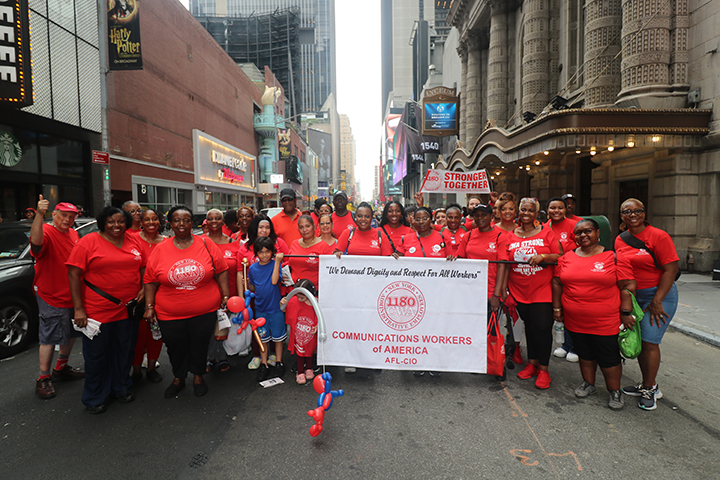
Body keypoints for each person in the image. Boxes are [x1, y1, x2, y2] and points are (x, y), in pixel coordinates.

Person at [143, 205, 230, 399]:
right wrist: (149, 306)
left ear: (192, 223)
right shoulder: (160, 249)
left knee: (200, 344)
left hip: (204, 310)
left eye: (186, 220)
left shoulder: (206, 243)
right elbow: (149, 280)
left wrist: (225, 295)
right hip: (169, 312)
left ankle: (198, 376)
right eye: (177, 220)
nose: (181, 224)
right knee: (175, 345)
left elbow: (221, 269)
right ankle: (178, 377)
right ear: (170, 224)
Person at [67, 206, 145, 413]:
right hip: (97, 311)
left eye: (120, 221)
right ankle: (95, 396)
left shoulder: (133, 240)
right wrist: (78, 309)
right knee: (96, 357)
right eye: (111, 221)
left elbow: (144, 266)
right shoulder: (88, 242)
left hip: (128, 309)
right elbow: (73, 274)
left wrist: (144, 288)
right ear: (103, 223)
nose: (116, 225)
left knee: (125, 351)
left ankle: (121, 387)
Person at [552, 218, 636, 410]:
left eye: (588, 231)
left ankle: (614, 391)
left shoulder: (613, 257)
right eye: (579, 232)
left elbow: (628, 285)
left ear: (598, 233)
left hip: (605, 321)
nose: (583, 235)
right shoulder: (566, 258)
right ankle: (588, 383)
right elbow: (557, 282)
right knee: (585, 354)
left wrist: (625, 312)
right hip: (575, 319)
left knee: (608, 357)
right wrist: (557, 308)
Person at [615, 198, 679, 411]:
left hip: (660, 295)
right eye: (627, 212)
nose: (632, 215)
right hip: (635, 297)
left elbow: (671, 270)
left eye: (637, 211)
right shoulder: (621, 239)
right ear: (621, 216)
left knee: (650, 342)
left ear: (644, 213)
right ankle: (647, 383)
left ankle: (650, 389)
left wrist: (657, 300)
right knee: (640, 341)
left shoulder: (659, 236)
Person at [499, 197, 561, 389]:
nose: (526, 213)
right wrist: (505, 290)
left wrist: (543, 256)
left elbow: (560, 256)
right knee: (530, 328)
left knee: (542, 329)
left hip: (542, 289)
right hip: (519, 290)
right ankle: (532, 363)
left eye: (530, 210)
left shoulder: (546, 232)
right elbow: (506, 264)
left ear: (536, 213)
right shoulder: (510, 235)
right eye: (523, 210)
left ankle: (544, 369)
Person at [30, 195, 84, 400]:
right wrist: (39, 214)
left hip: (72, 294)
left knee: (71, 332)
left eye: (71, 216)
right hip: (51, 294)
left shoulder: (73, 233)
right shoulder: (46, 231)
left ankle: (61, 368)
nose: (68, 220)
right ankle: (43, 378)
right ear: (54, 215)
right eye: (63, 215)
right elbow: (36, 243)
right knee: (49, 337)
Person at [334, 202, 392, 373]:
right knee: (353, 322)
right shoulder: (348, 234)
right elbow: (335, 254)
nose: (363, 219)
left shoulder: (380, 234)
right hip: (352, 289)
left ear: (372, 217)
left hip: (374, 289)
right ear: (355, 217)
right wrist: (337, 255)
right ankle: (351, 358)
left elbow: (388, 260)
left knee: (373, 324)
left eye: (367, 216)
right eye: (360, 216)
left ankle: (373, 359)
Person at [236, 214, 290, 370]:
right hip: (258, 301)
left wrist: (280, 266)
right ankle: (260, 358)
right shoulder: (248, 255)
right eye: (261, 227)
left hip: (275, 299)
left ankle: (276, 359)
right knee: (260, 331)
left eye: (267, 227)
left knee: (277, 331)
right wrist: (243, 292)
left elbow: (284, 267)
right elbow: (244, 275)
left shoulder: (278, 247)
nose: (264, 230)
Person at [131, 208, 166, 385]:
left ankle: (151, 367)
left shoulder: (167, 242)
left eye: (154, 219)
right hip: (135, 294)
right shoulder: (131, 239)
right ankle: (136, 370)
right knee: (138, 335)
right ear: (141, 222)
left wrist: (149, 288)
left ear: (159, 222)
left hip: (160, 294)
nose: (151, 223)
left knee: (155, 333)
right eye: (147, 219)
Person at [544, 197, 580, 363]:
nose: (556, 211)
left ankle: (575, 347)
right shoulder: (544, 227)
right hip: (552, 274)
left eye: (560, 208)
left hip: (572, 272)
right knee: (560, 310)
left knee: (571, 310)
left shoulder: (574, 225)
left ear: (566, 210)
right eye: (552, 208)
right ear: (547, 210)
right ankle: (566, 344)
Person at [204, 209, 239, 374]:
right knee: (209, 327)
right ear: (206, 221)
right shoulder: (199, 241)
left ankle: (222, 357)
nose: (214, 221)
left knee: (224, 326)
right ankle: (210, 358)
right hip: (206, 293)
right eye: (210, 219)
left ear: (223, 221)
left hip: (229, 292)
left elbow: (239, 270)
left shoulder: (234, 242)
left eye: (217, 218)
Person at [247, 237, 286, 382]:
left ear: (272, 252)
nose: (264, 255)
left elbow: (275, 281)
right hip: (260, 308)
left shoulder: (275, 265)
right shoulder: (253, 268)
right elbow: (253, 286)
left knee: (278, 338)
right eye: (261, 252)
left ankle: (279, 362)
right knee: (263, 338)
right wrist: (247, 284)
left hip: (275, 308)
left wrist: (277, 262)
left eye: (267, 251)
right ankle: (264, 364)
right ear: (256, 253)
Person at [494, 193, 524, 365]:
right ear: (498, 211)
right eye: (503, 209)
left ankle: (516, 347)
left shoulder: (521, 230)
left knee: (515, 314)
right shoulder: (492, 230)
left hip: (517, 277)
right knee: (498, 314)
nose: (507, 212)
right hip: (497, 278)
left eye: (511, 209)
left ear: (515, 211)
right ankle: (498, 347)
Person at [456, 204, 506, 311]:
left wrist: (496, 295)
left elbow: (501, 267)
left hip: (490, 292)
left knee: (489, 322)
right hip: (469, 290)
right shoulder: (468, 236)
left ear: (491, 216)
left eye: (484, 215)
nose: (480, 218)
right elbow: (460, 262)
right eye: (477, 215)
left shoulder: (500, 237)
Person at [281, 279, 319, 384]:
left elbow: (319, 315)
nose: (299, 299)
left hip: (310, 332)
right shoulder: (293, 301)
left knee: (310, 351)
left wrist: (317, 325)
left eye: (302, 297)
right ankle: (300, 371)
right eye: (298, 296)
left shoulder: (315, 302)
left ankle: (309, 368)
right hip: (299, 332)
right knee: (300, 352)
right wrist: (282, 303)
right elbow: (284, 309)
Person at [288, 215, 334, 290]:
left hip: (314, 292)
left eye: (307, 226)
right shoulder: (294, 244)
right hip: (293, 290)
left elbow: (329, 271)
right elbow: (289, 264)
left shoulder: (323, 246)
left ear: (314, 226)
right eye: (301, 227)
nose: (304, 230)